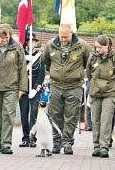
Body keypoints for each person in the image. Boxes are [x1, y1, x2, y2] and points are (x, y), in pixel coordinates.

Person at [42, 24, 91, 155]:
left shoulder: (82, 46)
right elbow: (46, 61)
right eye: (61, 36)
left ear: (72, 33)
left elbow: (88, 63)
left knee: (71, 116)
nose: (63, 39)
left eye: (66, 36)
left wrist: (79, 75)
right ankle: (57, 143)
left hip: (74, 87)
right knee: (55, 115)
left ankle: (68, 143)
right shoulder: (50, 45)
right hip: (56, 85)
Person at [0, 24, 28, 154]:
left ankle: (6, 144)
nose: (4, 41)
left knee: (8, 115)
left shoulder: (17, 47)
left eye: (6, 38)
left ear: (10, 35)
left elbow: (22, 69)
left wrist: (22, 88)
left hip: (11, 87)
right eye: (2, 39)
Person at [86, 34, 115, 158]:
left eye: (100, 47)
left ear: (107, 46)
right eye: (96, 47)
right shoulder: (92, 57)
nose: (98, 50)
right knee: (95, 120)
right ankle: (96, 147)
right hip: (95, 92)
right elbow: (89, 74)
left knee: (106, 120)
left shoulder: (113, 58)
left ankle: (104, 147)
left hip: (110, 93)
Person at [19, 33, 45, 148]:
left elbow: (41, 74)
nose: (32, 43)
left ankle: (32, 137)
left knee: (34, 113)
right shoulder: (22, 55)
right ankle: (25, 138)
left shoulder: (40, 56)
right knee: (24, 114)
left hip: (35, 87)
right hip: (24, 87)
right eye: (29, 41)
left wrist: (36, 88)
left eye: (33, 42)